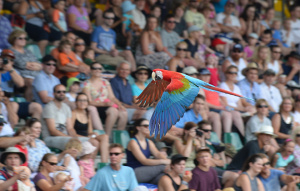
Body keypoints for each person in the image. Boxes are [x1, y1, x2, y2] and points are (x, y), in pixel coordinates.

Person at [83, 62, 127, 136]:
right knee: (113, 111)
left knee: (123, 112)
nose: (97, 70)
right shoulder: (86, 83)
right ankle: (106, 135)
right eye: (95, 68)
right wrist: (104, 104)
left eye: (99, 68)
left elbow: (112, 97)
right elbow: (89, 101)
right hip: (95, 106)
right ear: (90, 70)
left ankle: (118, 137)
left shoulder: (105, 82)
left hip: (106, 106)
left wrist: (120, 105)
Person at [42, 84, 90, 150]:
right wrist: (69, 138)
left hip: (65, 137)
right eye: (59, 92)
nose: (61, 93)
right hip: (51, 138)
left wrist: (74, 137)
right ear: (53, 94)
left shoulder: (66, 107)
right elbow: (52, 131)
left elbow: (70, 128)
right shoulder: (49, 107)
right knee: (74, 143)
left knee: (92, 141)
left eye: (64, 92)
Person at [198, 68, 245, 136]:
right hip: (213, 108)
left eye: (208, 75)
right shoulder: (200, 88)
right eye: (204, 75)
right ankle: (225, 138)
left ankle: (242, 137)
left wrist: (229, 108)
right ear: (199, 76)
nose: (206, 77)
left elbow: (220, 100)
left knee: (235, 113)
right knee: (227, 115)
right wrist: (220, 107)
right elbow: (203, 102)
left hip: (220, 108)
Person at [126, 118, 170, 184]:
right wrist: (164, 162)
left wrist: (168, 162)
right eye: (146, 126)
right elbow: (144, 161)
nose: (148, 128)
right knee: (162, 166)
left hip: (147, 171)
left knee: (165, 178)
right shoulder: (133, 142)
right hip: (134, 172)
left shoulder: (148, 142)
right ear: (138, 128)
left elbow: (158, 154)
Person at [70, 93, 109, 162]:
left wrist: (94, 134)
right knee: (95, 142)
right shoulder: (73, 113)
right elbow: (71, 131)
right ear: (76, 102)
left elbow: (90, 132)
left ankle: (104, 163)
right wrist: (87, 138)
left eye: (85, 100)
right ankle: (90, 164)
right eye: (80, 100)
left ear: (87, 103)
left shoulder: (87, 113)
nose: (82, 102)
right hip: (78, 138)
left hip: (87, 137)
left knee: (105, 136)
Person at [8, 29, 42, 101]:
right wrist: (34, 65)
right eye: (20, 38)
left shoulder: (27, 51)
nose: (23, 40)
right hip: (21, 75)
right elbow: (21, 64)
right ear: (13, 39)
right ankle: (29, 103)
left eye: (25, 38)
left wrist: (35, 65)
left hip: (34, 74)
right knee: (31, 81)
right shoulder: (11, 51)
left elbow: (39, 64)